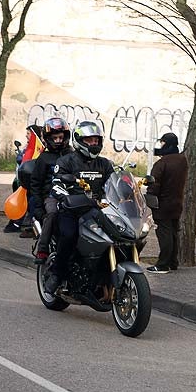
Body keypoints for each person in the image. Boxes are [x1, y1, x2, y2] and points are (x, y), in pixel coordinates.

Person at [44, 121, 114, 294]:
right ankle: (56, 274)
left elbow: (114, 184)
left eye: (96, 140)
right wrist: (67, 198)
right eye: (89, 140)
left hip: (97, 209)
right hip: (72, 210)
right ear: (78, 140)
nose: (94, 144)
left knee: (116, 236)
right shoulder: (66, 161)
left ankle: (102, 273)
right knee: (69, 236)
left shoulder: (105, 164)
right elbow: (57, 184)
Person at [31, 117, 72, 264]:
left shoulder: (72, 155)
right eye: (54, 138)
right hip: (52, 195)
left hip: (72, 193)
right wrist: (38, 206)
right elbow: (35, 183)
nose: (58, 140)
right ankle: (42, 249)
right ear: (48, 138)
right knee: (53, 213)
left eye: (61, 137)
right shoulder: (44, 158)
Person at [146, 132, 188, 273]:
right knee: (173, 233)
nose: (160, 146)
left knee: (164, 234)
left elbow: (154, 184)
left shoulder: (161, 163)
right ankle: (173, 262)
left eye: (162, 143)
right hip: (177, 202)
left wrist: (150, 198)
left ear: (166, 144)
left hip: (163, 204)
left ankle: (163, 264)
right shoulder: (182, 160)